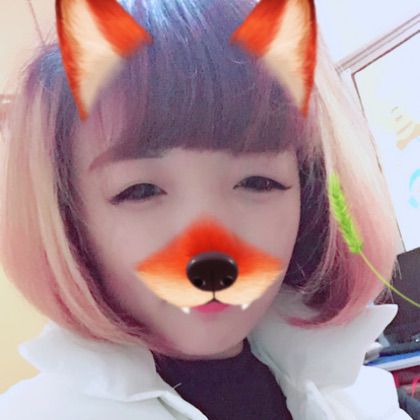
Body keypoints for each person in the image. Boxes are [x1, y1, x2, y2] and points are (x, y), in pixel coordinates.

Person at [0, 0, 412, 419]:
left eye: (257, 182)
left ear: (309, 197)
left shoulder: (359, 393)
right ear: (71, 219)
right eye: (141, 190)